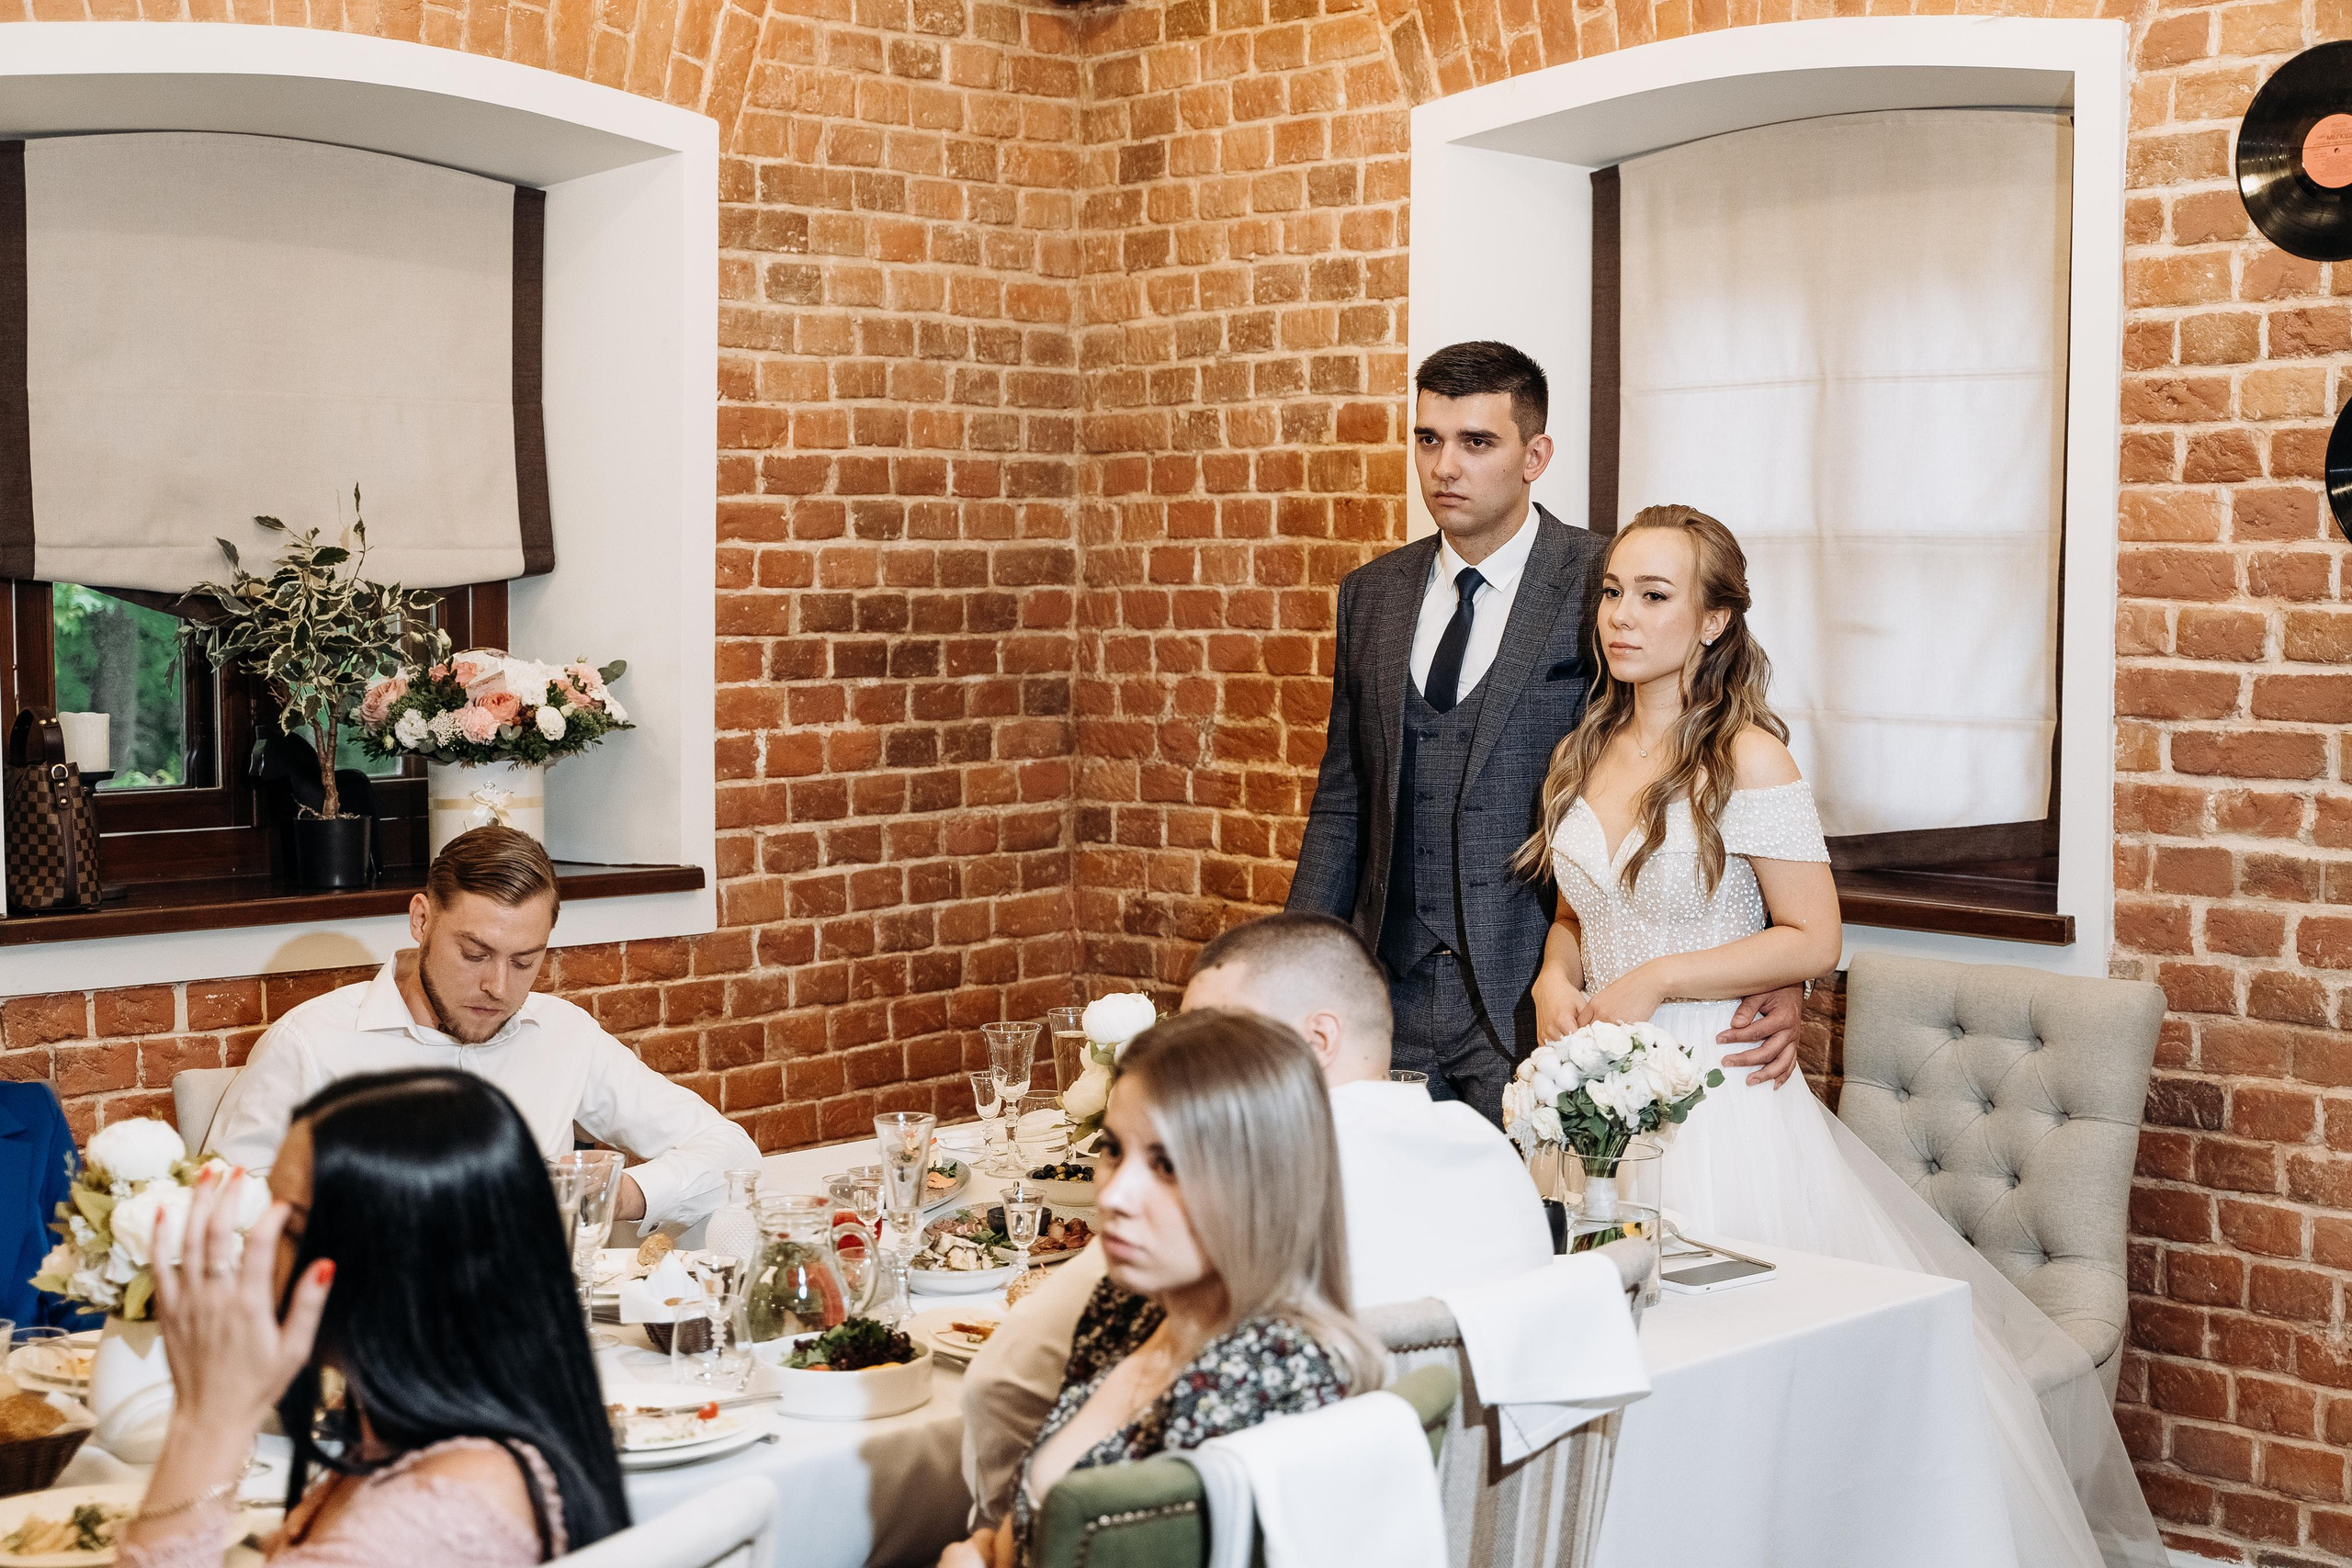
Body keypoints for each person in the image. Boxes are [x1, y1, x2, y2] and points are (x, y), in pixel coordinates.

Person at [1520, 503, 2163, 1567]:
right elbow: (1578, 910)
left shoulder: (1749, 758)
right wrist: (1555, 976)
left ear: (1716, 619)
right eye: (1610, 593)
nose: (1620, 617)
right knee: (1596, 1357)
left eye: (1654, 595)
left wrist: (1665, 977)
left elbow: (1812, 934)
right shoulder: (1584, 747)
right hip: (1593, 1085)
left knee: (1727, 1366)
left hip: (1716, 1092)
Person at [1285, 340, 1803, 1124]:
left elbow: (1707, 762)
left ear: (1536, 455)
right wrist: (1296, 973)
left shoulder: (1611, 584)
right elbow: (1342, 804)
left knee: (1544, 1232)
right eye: (1428, 439)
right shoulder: (1373, 595)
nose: (1444, 467)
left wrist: (1773, 974)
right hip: (1384, 989)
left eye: (1476, 442)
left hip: (1541, 994)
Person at [961, 913, 1550, 1527]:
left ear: (1318, 1038)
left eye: (1222, 1033)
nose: (1195, 1058)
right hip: (1466, 1521)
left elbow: (1002, 1383)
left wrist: (1000, 1532)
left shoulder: (1243, 1173)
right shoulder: (1489, 1151)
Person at [120, 1070, 628, 1565]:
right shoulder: (395, 1442)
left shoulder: (435, 1517)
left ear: (404, 1270)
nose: (254, 1253)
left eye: (291, 1228)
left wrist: (209, 1422)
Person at [944, 1010, 1385, 1568]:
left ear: (1262, 1184)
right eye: (1114, 1150)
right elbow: (1024, 1529)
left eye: (1168, 1165)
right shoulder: (1127, 1307)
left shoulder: (1267, 1381)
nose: (1117, 1196)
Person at [207, 827, 759, 1232]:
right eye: (475, 954)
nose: (498, 986)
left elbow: (732, 1151)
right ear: (421, 920)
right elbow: (219, 1214)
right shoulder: (310, 1044)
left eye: (525, 962)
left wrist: (621, 1193)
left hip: (536, 1332)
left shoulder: (563, 1033)